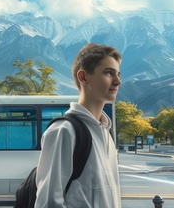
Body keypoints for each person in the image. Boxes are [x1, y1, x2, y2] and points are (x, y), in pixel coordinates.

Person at [35, 43, 122, 208]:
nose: (118, 81)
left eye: (118, 74)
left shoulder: (106, 132)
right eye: (109, 73)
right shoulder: (64, 131)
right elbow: (48, 203)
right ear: (83, 77)